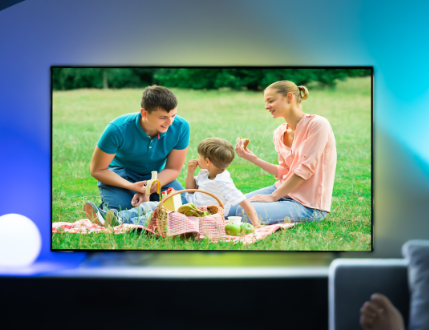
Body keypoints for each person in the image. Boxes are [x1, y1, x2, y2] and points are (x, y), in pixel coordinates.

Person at [84, 138, 261, 228]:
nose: (197, 158)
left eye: (199, 156)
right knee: (154, 206)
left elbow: (244, 202)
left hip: (201, 215)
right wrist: (191, 171)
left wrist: (256, 225)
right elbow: (191, 189)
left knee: (156, 212)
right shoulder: (207, 172)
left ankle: (119, 220)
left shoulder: (224, 182)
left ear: (207, 161)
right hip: (189, 205)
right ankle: (115, 217)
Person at [229, 80, 336, 224]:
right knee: (228, 207)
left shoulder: (318, 124)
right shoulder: (279, 132)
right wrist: (253, 158)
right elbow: (285, 171)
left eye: (271, 101)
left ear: (289, 97)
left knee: (244, 213)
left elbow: (305, 168)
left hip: (308, 205)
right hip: (283, 191)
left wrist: (273, 197)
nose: (266, 106)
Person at [89, 85, 190, 211]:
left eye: (173, 115)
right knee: (121, 209)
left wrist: (147, 189)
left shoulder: (181, 127)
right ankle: (104, 212)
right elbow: (97, 170)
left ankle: (151, 207)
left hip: (157, 177)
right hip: (120, 175)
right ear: (144, 113)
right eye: (163, 117)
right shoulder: (117, 129)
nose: (170, 122)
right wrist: (132, 186)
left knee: (184, 207)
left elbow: (172, 169)